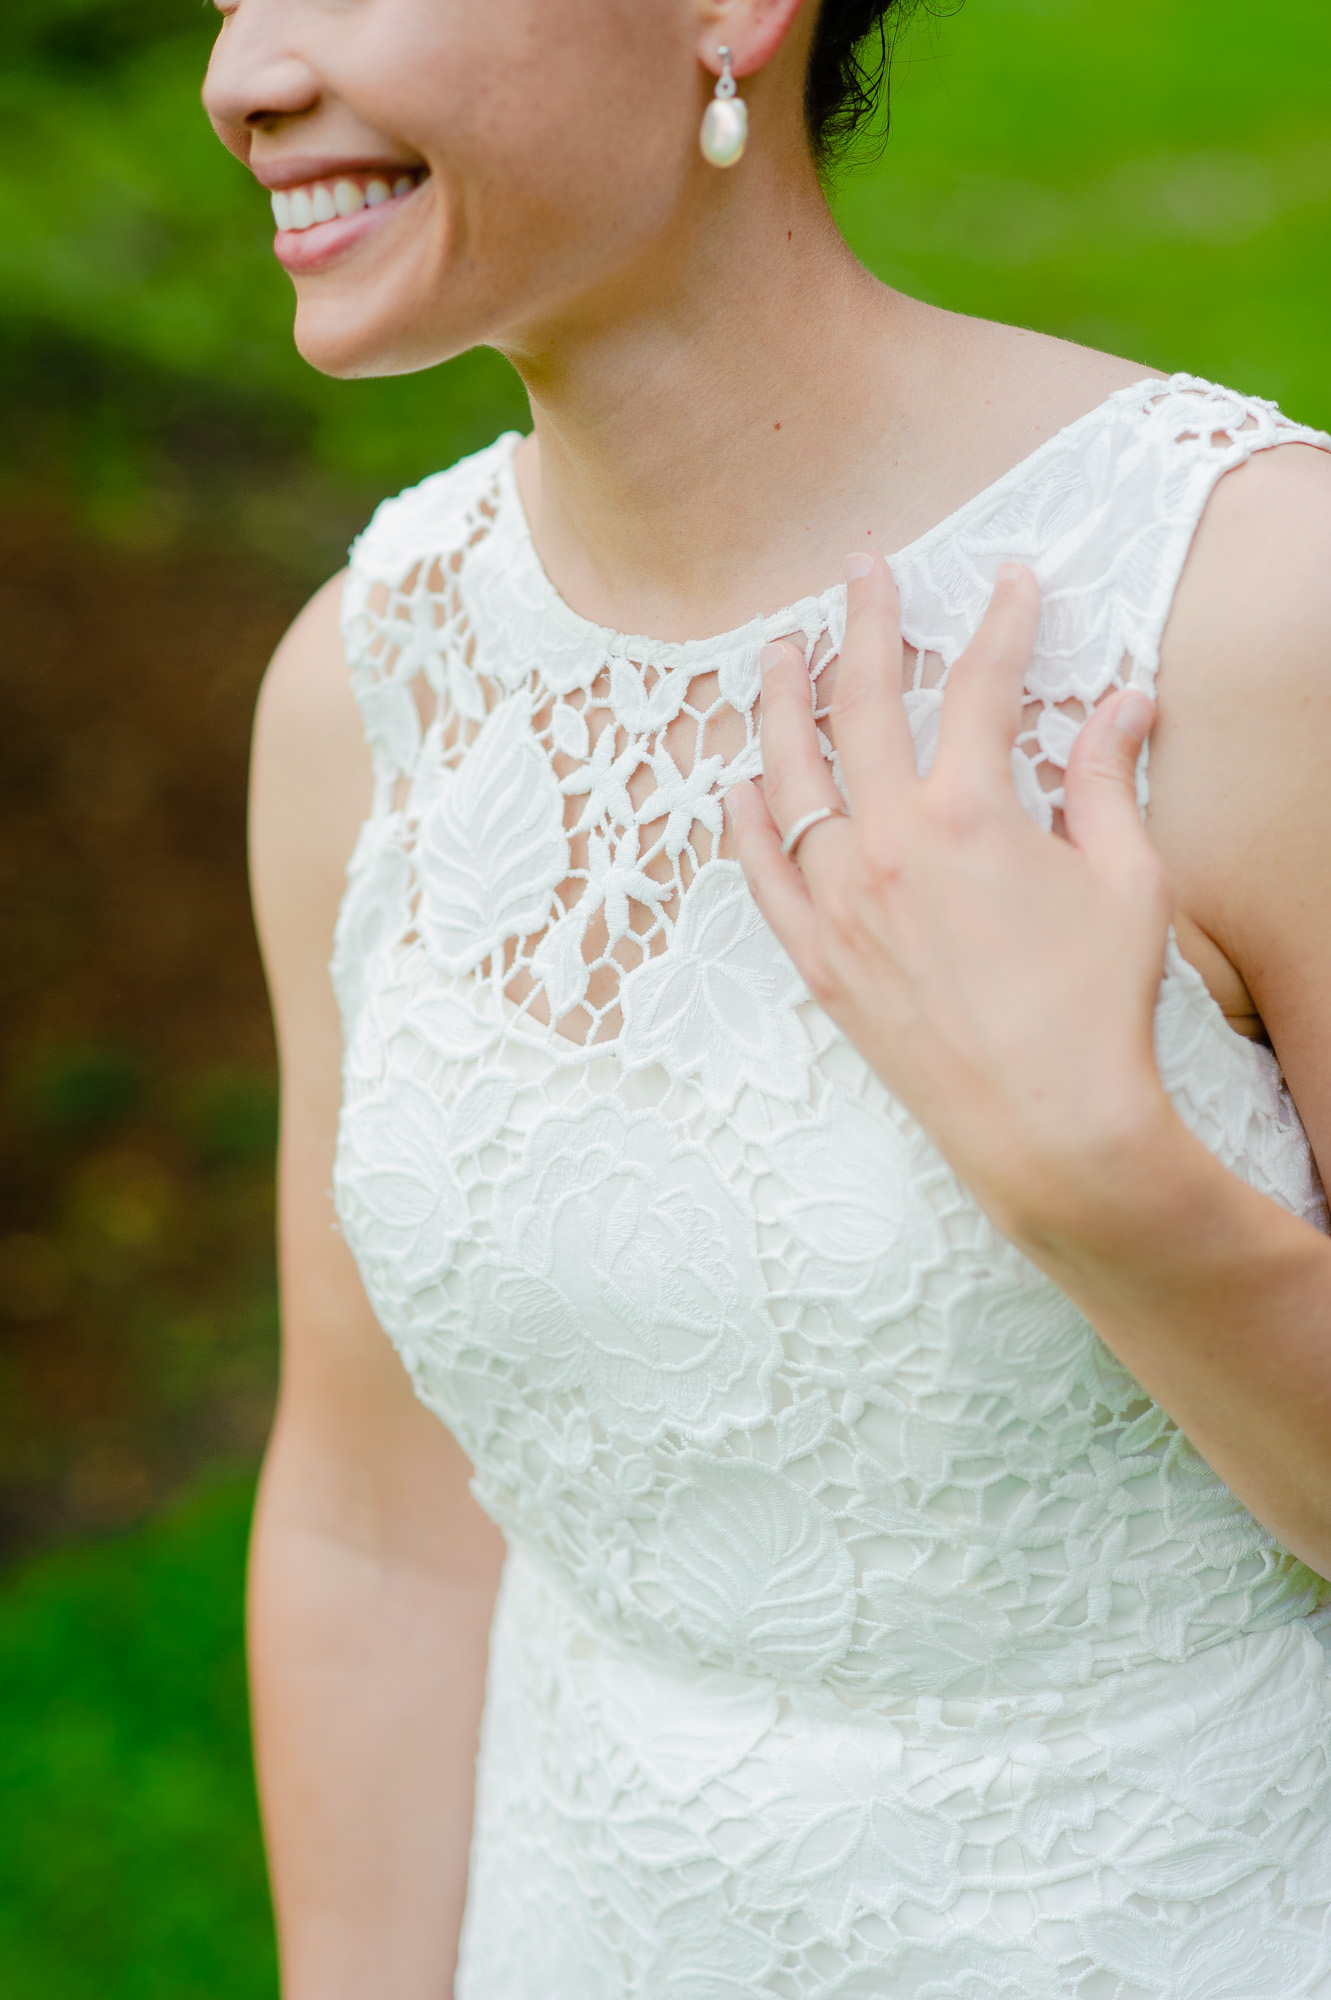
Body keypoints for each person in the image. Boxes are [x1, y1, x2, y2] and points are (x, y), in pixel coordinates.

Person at [203, 0, 1331, 1993]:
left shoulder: (1254, 616)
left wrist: (1101, 1177)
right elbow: (378, 1526)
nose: (245, 77)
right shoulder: (368, 683)